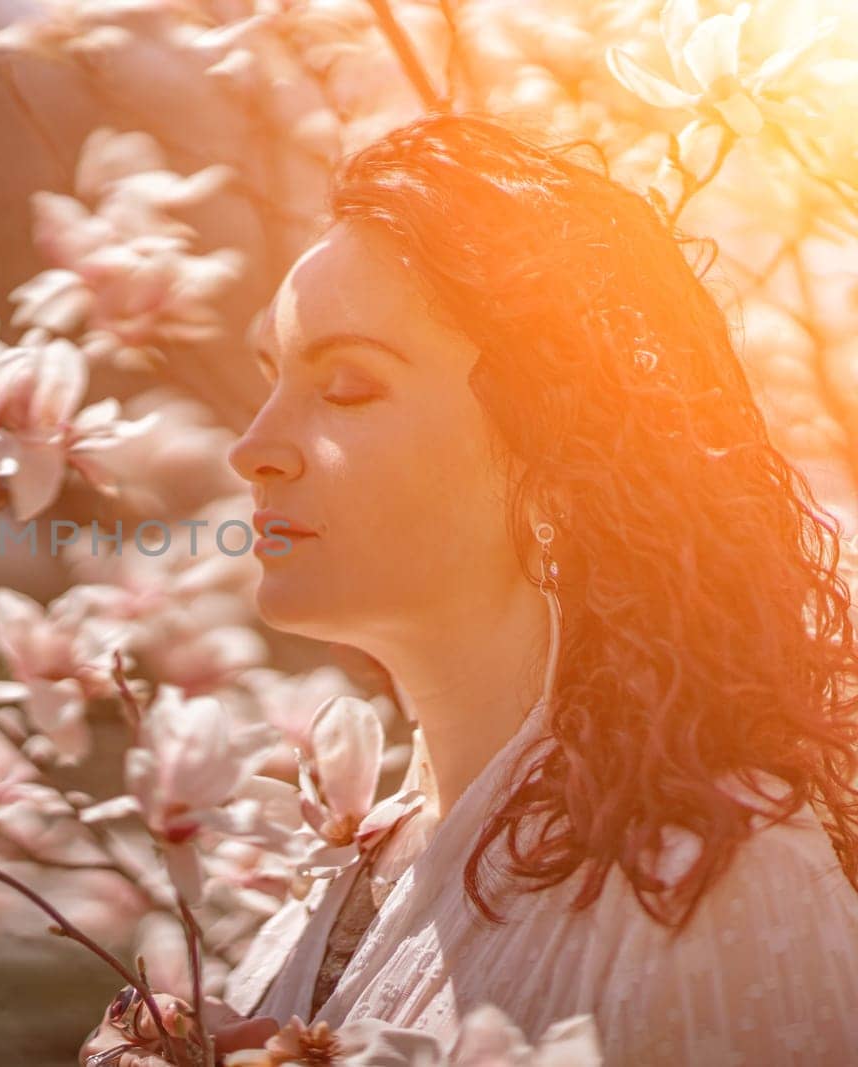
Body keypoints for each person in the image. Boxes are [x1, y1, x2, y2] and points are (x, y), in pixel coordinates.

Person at [79, 112, 858, 1065]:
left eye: (349, 386)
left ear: (557, 464)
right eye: (273, 378)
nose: (254, 448)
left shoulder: (705, 878)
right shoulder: (358, 851)